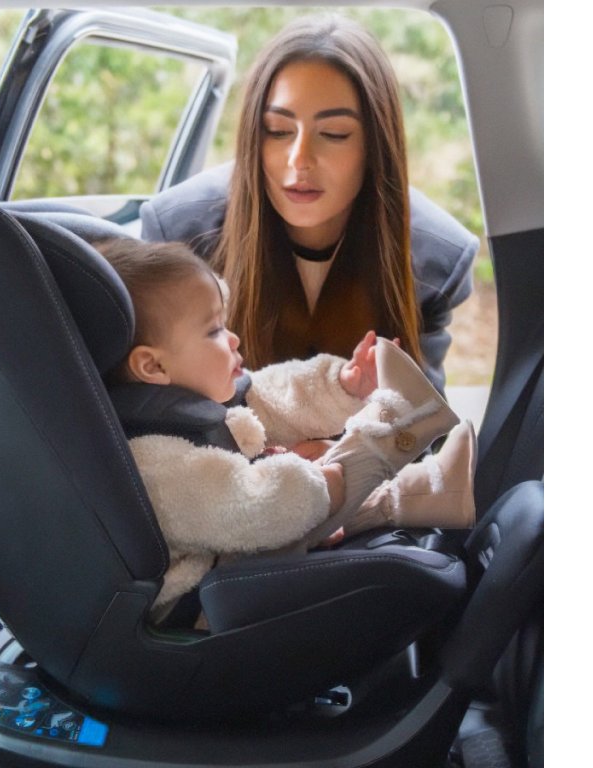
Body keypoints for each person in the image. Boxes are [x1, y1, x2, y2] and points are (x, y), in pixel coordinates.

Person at [96, 239, 474, 621]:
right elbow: (255, 508)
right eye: (213, 331)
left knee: (303, 470)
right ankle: (398, 426)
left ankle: (433, 490)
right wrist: (318, 484)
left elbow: (268, 396)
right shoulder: (154, 463)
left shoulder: (190, 406)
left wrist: (342, 386)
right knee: (311, 481)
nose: (233, 339)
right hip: (206, 610)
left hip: (236, 558)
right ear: (153, 367)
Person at [139, 15, 479, 394]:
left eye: (334, 134)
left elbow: (420, 416)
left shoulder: (437, 259)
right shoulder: (179, 231)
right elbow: (158, 407)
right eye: (278, 131)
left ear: (375, 145)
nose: (299, 159)